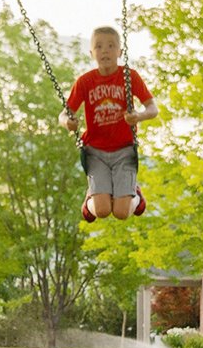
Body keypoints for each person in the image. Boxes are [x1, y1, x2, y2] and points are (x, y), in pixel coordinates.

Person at [59, 24, 159, 221]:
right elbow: (63, 114)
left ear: (120, 52)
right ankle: (91, 199)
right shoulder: (85, 82)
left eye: (111, 45)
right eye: (99, 46)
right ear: (91, 53)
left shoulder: (130, 76)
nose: (105, 50)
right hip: (96, 152)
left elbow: (153, 109)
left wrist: (138, 116)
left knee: (121, 213)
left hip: (124, 150)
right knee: (102, 210)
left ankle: (136, 196)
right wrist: (68, 123)